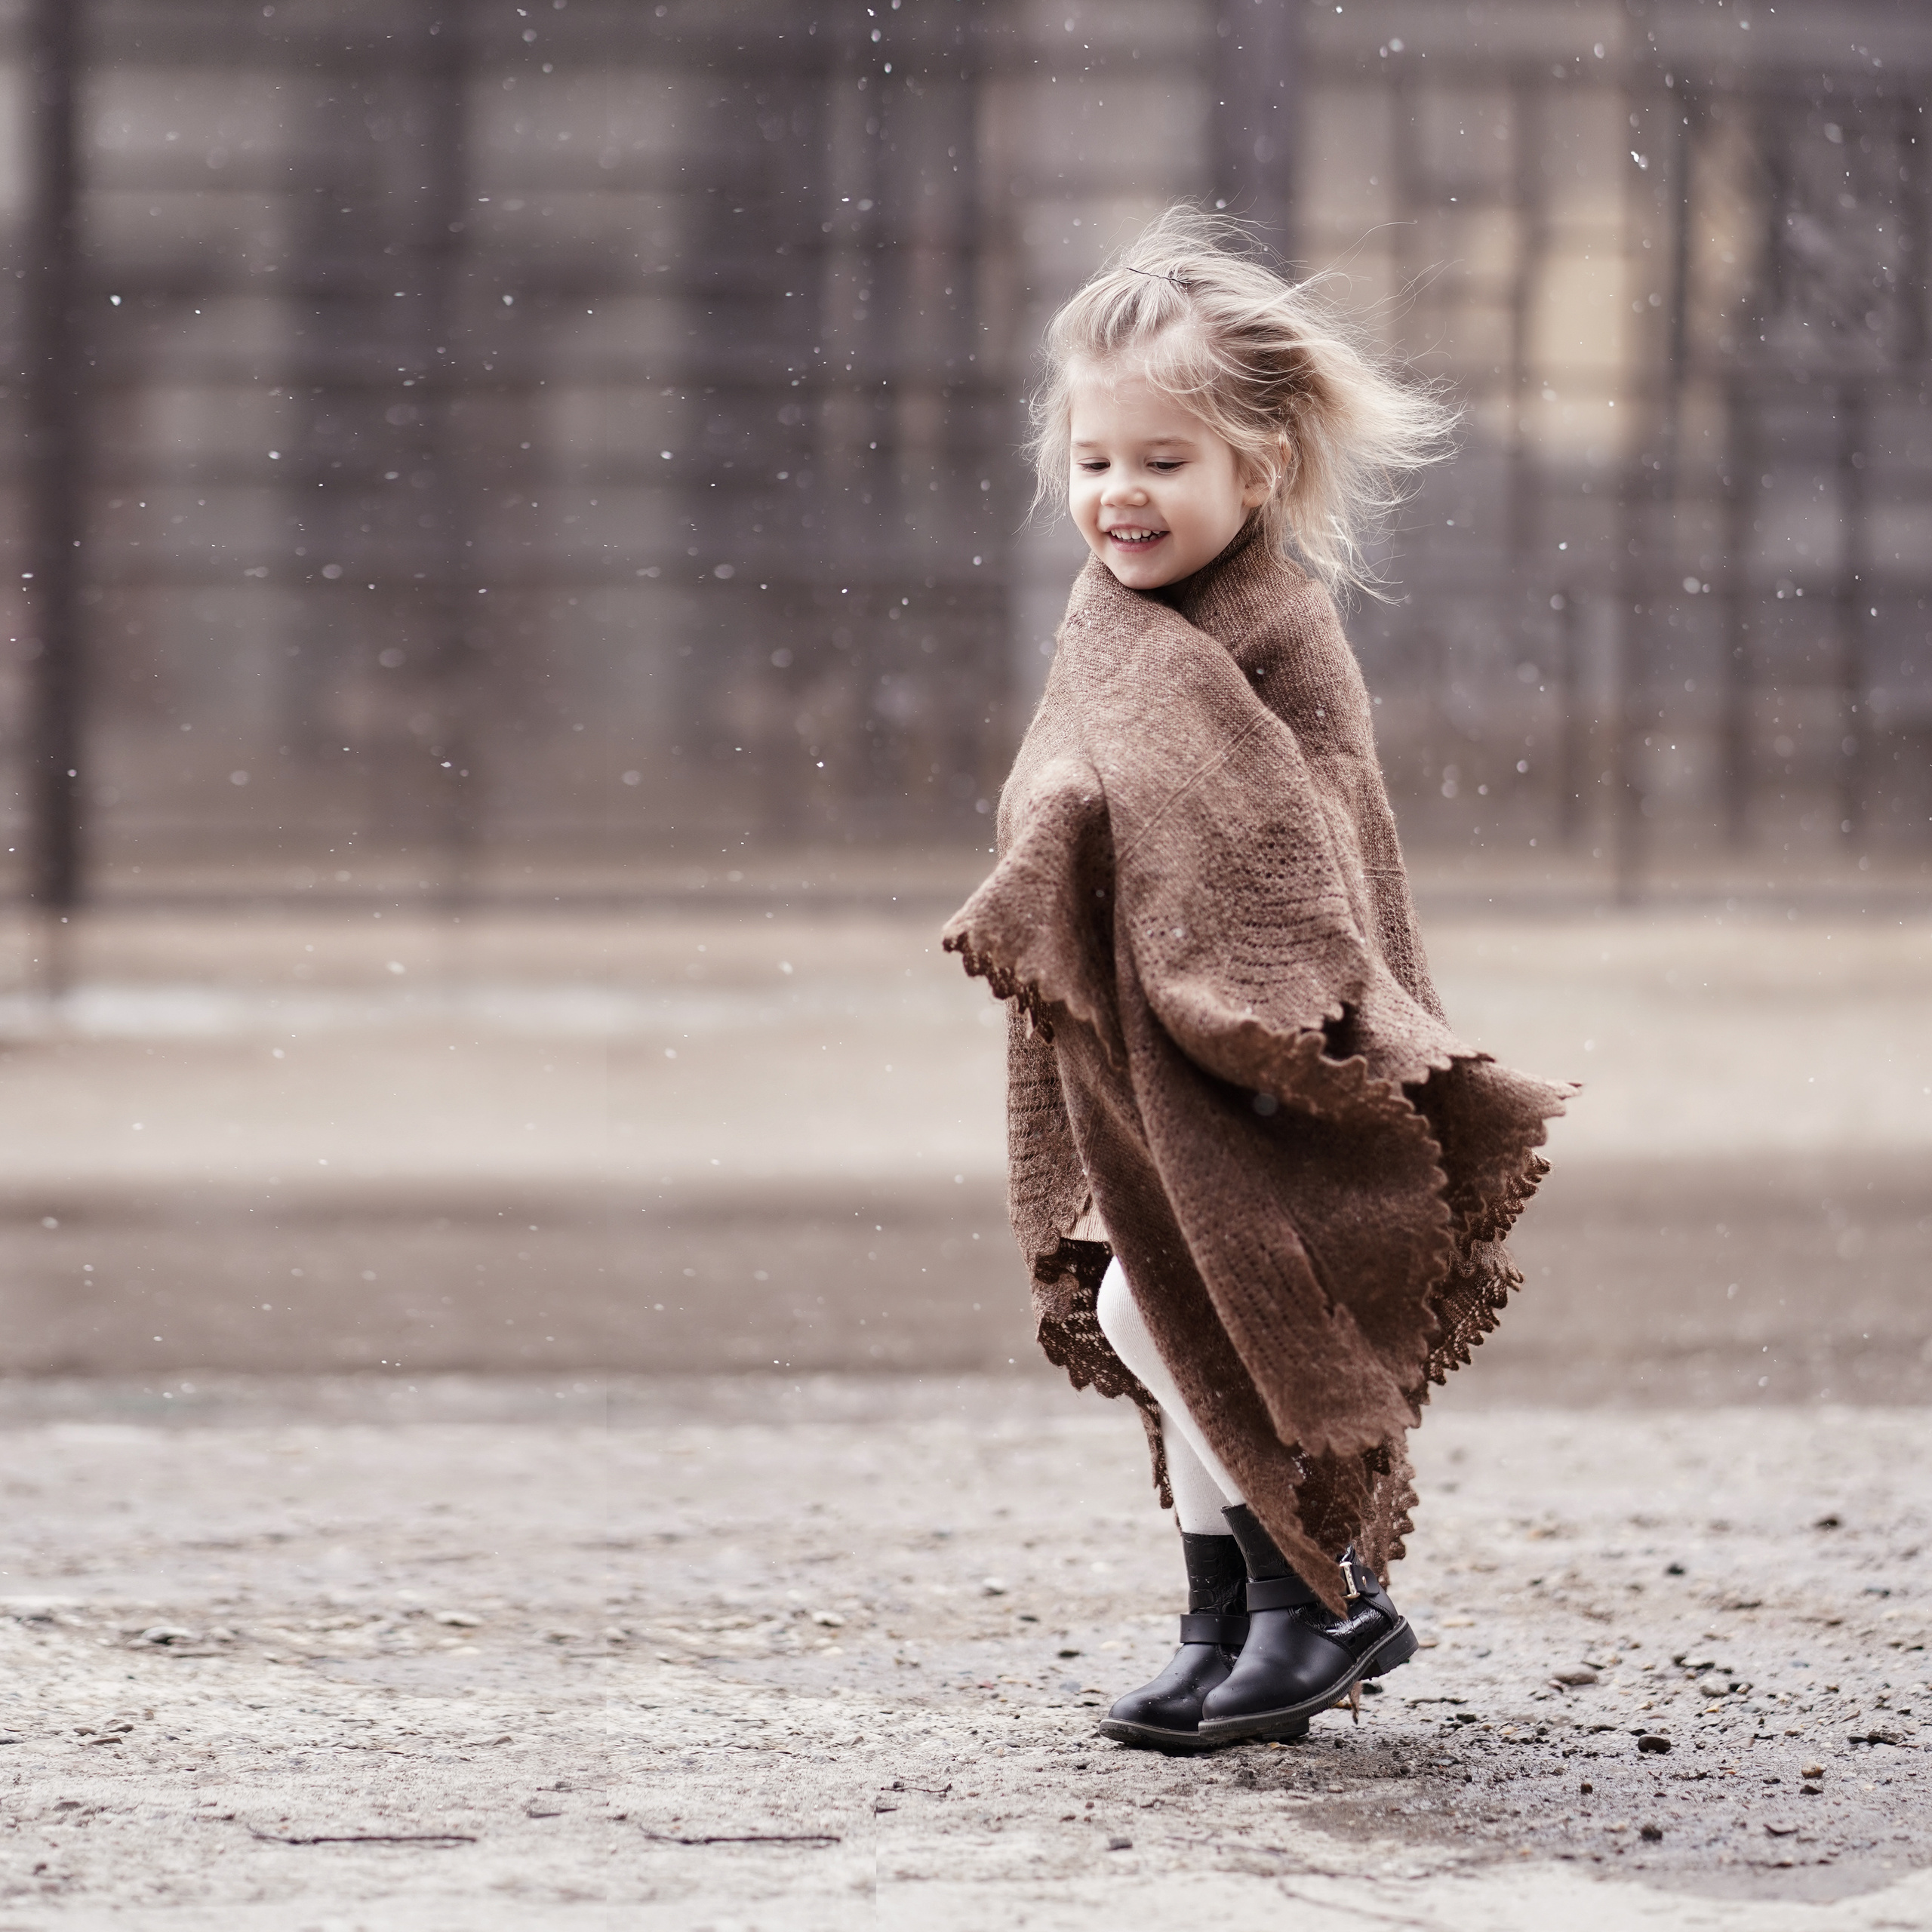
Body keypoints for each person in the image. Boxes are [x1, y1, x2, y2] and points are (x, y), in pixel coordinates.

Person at [943, 208, 1571, 1753]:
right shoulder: (1115, 622)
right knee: (1155, 1293)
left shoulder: (1273, 625)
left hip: (1261, 1028)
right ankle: (1223, 1603)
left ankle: (1329, 1590)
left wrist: (1092, 836)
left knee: (1225, 1304)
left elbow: (1272, 831)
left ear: (1257, 471)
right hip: (1144, 1030)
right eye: (1095, 461)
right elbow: (1075, 782)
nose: (1119, 495)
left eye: (1162, 461)